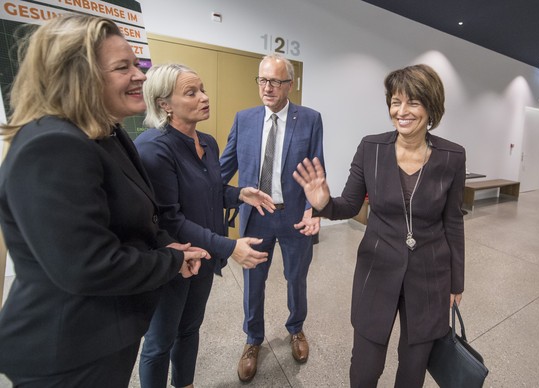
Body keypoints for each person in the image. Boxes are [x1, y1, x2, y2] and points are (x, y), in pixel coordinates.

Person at [0, 15, 210, 387]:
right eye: (123, 67)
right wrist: (172, 259)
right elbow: (88, 266)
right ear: (78, 75)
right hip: (66, 352)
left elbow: (139, 219)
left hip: (104, 336)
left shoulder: (107, 132)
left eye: (138, 65)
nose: (141, 76)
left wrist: (166, 243)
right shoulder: (51, 146)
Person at [293, 64, 465, 388]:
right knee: (365, 370)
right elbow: (349, 205)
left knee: (413, 371)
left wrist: (457, 281)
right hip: (377, 269)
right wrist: (323, 204)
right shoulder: (371, 148)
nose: (402, 111)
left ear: (431, 107)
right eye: (395, 101)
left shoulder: (452, 157)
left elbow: (453, 221)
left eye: (413, 102)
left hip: (430, 275)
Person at [134, 63, 275, 388]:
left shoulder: (207, 142)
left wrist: (240, 193)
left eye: (202, 89)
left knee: (189, 329)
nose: (204, 97)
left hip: (205, 258)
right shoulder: (155, 148)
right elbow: (171, 218)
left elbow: (210, 192)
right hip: (174, 261)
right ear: (164, 104)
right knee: (159, 342)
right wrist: (230, 247)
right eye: (191, 92)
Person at [220, 53, 325, 382]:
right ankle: (253, 339)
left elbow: (317, 171)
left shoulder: (310, 119)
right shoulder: (244, 119)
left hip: (294, 216)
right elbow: (222, 171)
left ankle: (296, 329)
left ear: (290, 85)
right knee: (253, 282)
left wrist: (314, 209)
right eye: (262, 80)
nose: (267, 87)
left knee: (297, 278)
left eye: (276, 81)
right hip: (256, 216)